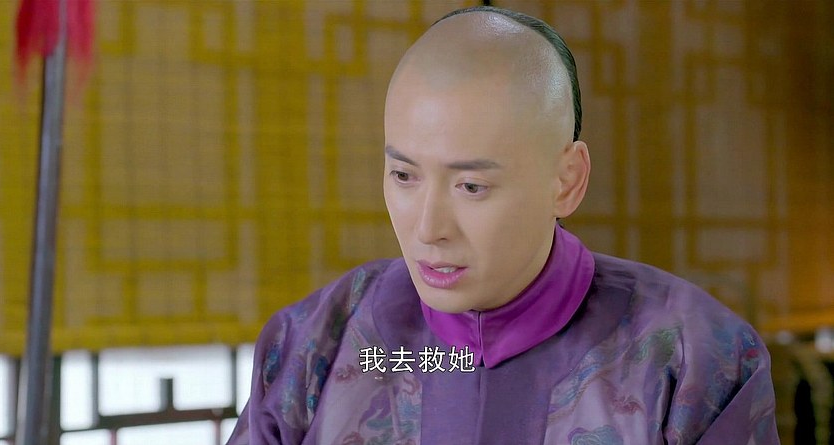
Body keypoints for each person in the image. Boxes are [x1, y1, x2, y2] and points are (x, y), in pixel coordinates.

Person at [227, 6, 778, 445]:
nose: (429, 229)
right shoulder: (314, 344)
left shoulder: (692, 360)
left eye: (471, 186)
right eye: (404, 175)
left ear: (566, 180)